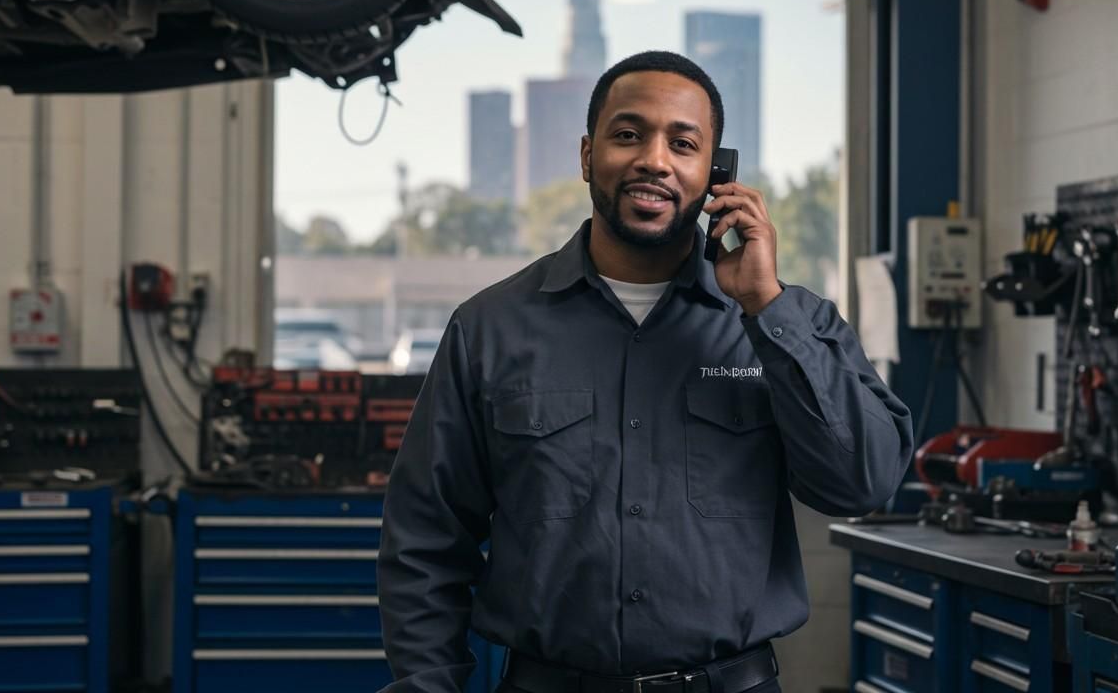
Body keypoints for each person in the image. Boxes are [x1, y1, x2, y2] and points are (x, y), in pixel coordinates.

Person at [378, 50, 914, 693]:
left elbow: (863, 483)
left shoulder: (789, 323)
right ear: (586, 156)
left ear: (716, 172)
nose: (654, 160)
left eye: (682, 143)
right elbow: (425, 538)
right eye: (628, 134)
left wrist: (765, 309)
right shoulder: (489, 329)